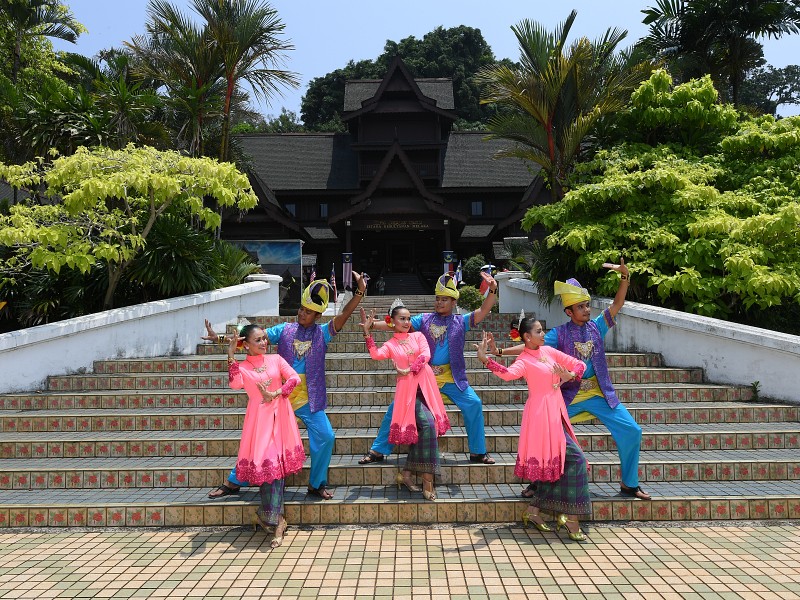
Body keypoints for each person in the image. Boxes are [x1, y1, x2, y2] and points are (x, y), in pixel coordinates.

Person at [489, 259, 651, 500]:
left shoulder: (598, 326)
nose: (587, 310)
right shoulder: (558, 334)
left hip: (599, 394)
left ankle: (629, 483)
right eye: (581, 307)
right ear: (569, 311)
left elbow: (618, 304)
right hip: (569, 396)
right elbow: (530, 346)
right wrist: (500, 353)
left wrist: (625, 277)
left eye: (587, 305)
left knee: (632, 431)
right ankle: (538, 481)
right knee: (547, 432)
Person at [206, 272, 368, 500]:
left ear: (318, 314)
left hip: (308, 398)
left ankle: (316, 483)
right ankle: (234, 481)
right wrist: (219, 339)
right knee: (259, 438)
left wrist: (359, 292)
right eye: (301, 308)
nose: (302, 313)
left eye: (308, 311)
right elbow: (249, 340)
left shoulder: (324, 333)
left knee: (326, 436)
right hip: (278, 397)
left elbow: (345, 313)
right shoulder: (284, 329)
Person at [359, 272, 497, 465]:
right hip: (424, 377)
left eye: (444, 299)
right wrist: (372, 325)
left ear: (453, 302)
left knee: (473, 403)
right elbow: (397, 325)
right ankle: (378, 450)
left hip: (451, 378)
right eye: (437, 299)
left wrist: (492, 289)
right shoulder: (423, 320)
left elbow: (483, 310)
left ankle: (478, 452)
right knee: (396, 407)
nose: (439, 303)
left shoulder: (461, 321)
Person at [476, 321, 590, 541]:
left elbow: (579, 364)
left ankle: (534, 511)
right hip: (541, 417)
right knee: (574, 459)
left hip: (556, 413)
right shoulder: (524, 361)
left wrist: (569, 375)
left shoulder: (548, 351)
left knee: (556, 463)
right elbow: (508, 374)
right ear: (527, 337)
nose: (543, 333)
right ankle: (571, 518)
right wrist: (485, 360)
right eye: (538, 331)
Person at [359, 300, 451, 500]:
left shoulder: (418, 336)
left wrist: (410, 369)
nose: (407, 322)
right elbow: (376, 355)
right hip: (409, 392)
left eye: (409, 318)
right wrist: (367, 334)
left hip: (426, 387)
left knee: (429, 428)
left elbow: (426, 355)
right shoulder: (390, 344)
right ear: (391, 322)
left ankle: (407, 474)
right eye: (402, 318)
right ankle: (428, 480)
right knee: (427, 425)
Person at [226, 324, 303, 548]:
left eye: (264, 339)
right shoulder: (242, 367)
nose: (263, 343)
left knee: (277, 470)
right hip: (259, 421)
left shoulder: (276, 359)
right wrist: (230, 355)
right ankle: (275, 519)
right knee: (269, 468)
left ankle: (271, 518)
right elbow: (234, 385)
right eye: (257, 340)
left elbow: (294, 379)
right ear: (246, 344)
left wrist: (276, 393)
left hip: (281, 416)